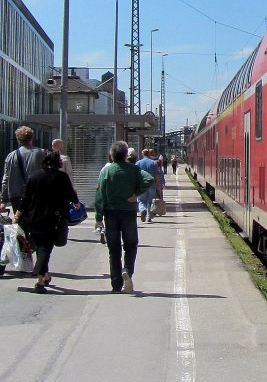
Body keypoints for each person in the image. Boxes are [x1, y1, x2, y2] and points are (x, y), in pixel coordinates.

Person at [14, 150, 80, 292]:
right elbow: (71, 194)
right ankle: (39, 281)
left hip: (34, 218)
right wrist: (76, 203)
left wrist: (17, 215)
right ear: (59, 163)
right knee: (46, 249)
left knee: (40, 247)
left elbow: (25, 199)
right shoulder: (62, 177)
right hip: (53, 219)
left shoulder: (34, 176)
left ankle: (45, 275)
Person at [95, 140, 155, 293]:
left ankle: (116, 285)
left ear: (112, 155)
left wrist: (98, 217)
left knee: (113, 250)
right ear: (125, 155)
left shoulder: (107, 171)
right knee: (131, 244)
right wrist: (136, 194)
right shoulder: (133, 169)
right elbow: (149, 179)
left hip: (110, 214)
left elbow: (100, 195)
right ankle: (127, 270)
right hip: (128, 212)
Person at [1, 126, 46, 212]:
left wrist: (3, 199)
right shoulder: (41, 153)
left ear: (18, 139)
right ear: (32, 138)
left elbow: (6, 179)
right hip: (37, 194)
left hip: (16, 196)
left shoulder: (11, 156)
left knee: (20, 222)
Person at [135, 148, 160, 222]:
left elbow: (136, 176)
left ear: (142, 154)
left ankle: (143, 209)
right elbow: (156, 176)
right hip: (152, 185)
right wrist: (158, 187)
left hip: (142, 186)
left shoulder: (138, 163)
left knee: (141, 201)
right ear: (149, 154)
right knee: (150, 201)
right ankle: (148, 217)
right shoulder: (153, 163)